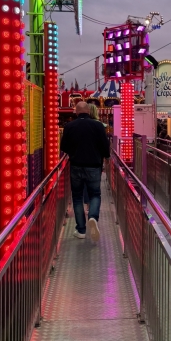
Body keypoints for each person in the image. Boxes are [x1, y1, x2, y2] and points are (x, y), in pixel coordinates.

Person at [60, 100, 110, 241]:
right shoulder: (98, 126)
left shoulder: (70, 126)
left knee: (77, 198)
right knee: (95, 194)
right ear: (89, 111)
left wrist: (74, 152)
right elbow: (105, 147)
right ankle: (93, 217)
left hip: (76, 166)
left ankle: (81, 230)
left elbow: (63, 147)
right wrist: (105, 157)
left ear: (76, 112)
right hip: (94, 166)